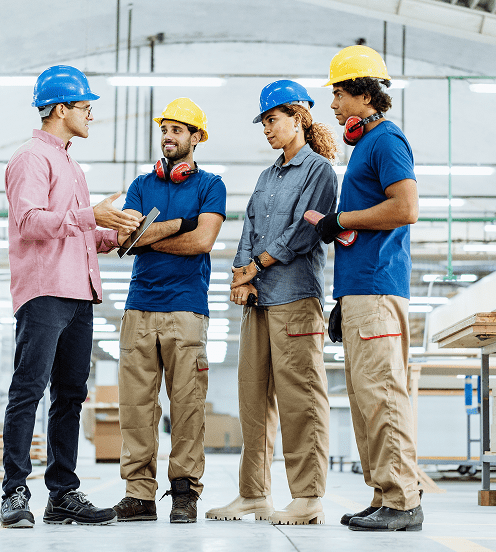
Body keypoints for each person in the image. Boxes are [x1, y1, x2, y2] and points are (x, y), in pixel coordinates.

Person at [0, 65, 140, 529]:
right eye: (85, 107)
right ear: (61, 109)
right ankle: (14, 491)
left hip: (79, 295)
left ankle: (62, 494)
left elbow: (75, 232)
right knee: (28, 390)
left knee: (70, 396)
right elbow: (29, 222)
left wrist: (113, 234)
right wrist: (90, 216)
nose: (91, 115)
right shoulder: (30, 159)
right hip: (44, 292)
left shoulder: (71, 164)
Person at [205, 80, 337, 525]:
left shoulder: (318, 170)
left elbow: (305, 230)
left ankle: (308, 496)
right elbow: (248, 227)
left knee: (301, 398)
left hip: (295, 296)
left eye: (272, 119)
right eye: (263, 122)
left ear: (298, 118)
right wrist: (241, 275)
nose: (266, 128)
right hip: (259, 300)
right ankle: (254, 494)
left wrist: (257, 264)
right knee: (253, 397)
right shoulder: (267, 176)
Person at [315, 45, 423, 532]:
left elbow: (406, 208)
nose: (333, 104)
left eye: (339, 94)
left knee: (382, 394)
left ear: (364, 94)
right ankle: (384, 493)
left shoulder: (386, 140)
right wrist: (344, 296)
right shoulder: (366, 146)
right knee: (365, 399)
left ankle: (403, 501)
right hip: (362, 289)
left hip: (379, 287)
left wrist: (342, 219)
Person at [110, 98, 226, 524]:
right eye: (165, 129)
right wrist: (180, 224)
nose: (168, 137)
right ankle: (139, 495)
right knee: (136, 409)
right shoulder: (141, 185)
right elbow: (126, 240)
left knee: (188, 407)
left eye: (178, 130)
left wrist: (150, 236)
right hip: (139, 308)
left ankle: (184, 493)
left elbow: (202, 242)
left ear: (196, 137)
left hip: (187, 311)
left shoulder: (211, 185)